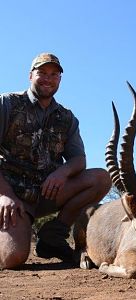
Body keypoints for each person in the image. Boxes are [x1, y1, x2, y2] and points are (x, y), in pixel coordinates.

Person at [0, 53, 112, 269]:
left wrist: (62, 173)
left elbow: (79, 159)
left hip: (45, 192)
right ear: (30, 75)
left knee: (100, 178)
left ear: (60, 79)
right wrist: (4, 195)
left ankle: (54, 234)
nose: (47, 79)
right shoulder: (7, 104)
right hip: (11, 196)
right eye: (41, 73)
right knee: (12, 258)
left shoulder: (66, 117)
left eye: (54, 74)